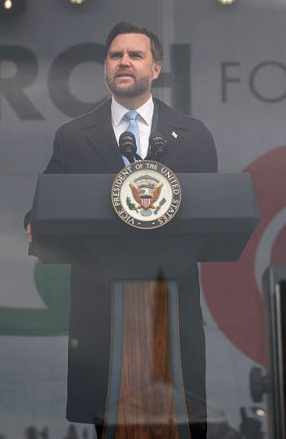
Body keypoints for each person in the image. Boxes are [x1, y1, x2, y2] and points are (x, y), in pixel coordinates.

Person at [27, 22, 217, 439]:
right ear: (105, 68)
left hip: (171, 304)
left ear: (157, 66)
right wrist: (35, 223)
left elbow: (213, 209)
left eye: (135, 54)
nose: (124, 62)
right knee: (110, 418)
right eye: (116, 56)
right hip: (103, 309)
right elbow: (44, 209)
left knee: (182, 418)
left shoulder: (192, 135)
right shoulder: (74, 137)